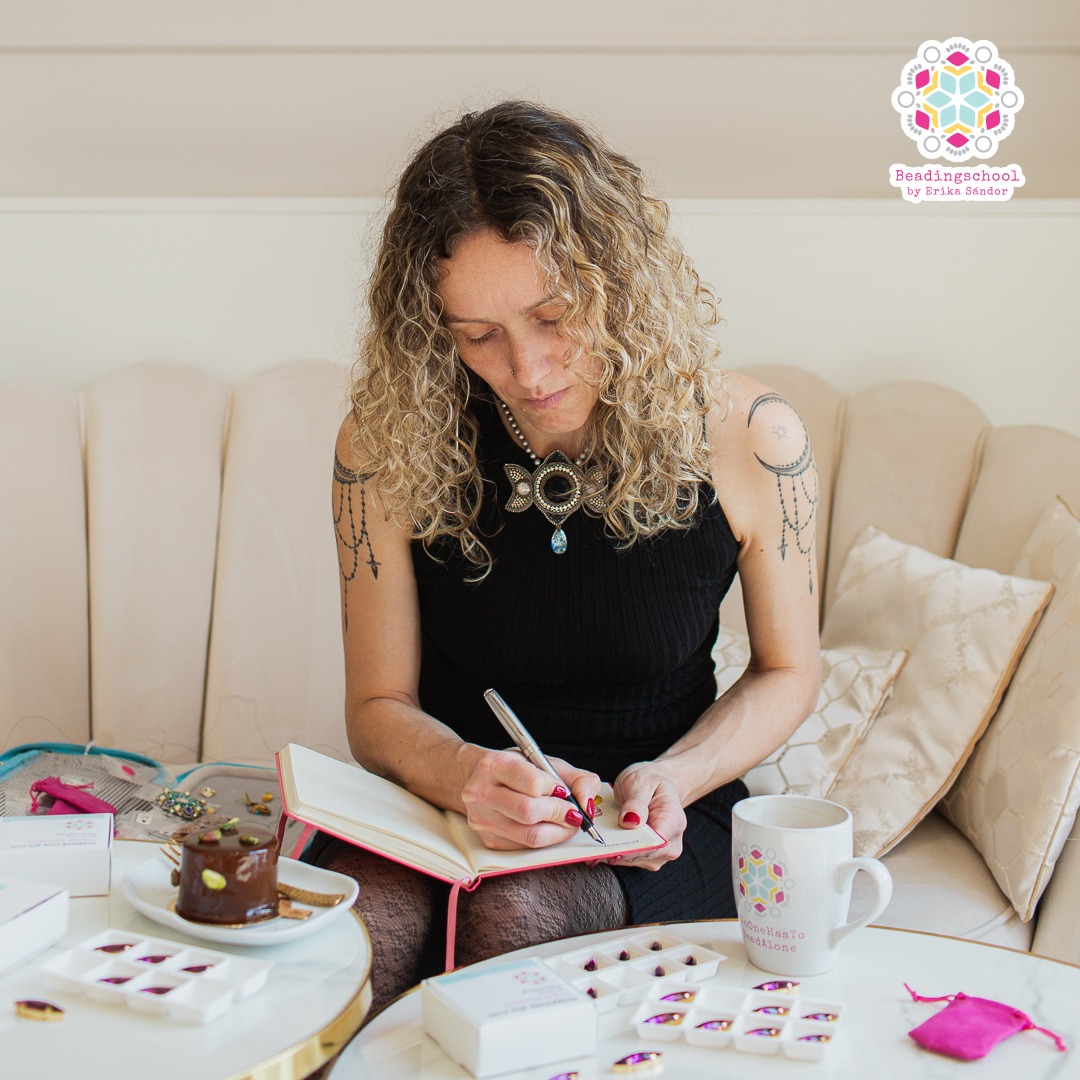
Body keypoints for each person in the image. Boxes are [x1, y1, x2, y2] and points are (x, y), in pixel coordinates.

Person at [315, 100, 821, 1014]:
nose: (529, 370)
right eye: (478, 336)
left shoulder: (751, 436)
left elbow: (790, 671)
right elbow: (377, 707)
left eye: (554, 316)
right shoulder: (386, 441)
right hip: (445, 799)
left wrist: (677, 776)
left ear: (618, 281)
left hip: (657, 818)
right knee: (348, 945)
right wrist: (466, 776)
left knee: (517, 918)